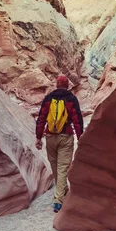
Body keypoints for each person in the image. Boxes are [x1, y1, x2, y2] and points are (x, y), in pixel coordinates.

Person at [35, 75, 84, 213]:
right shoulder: (72, 99)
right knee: (62, 167)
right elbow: (77, 119)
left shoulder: (49, 98)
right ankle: (58, 200)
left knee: (56, 166)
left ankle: (62, 192)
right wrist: (80, 138)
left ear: (56, 85)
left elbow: (41, 118)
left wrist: (38, 138)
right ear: (67, 85)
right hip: (66, 136)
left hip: (50, 137)